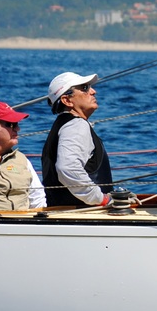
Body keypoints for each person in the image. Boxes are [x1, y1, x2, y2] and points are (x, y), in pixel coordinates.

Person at [42, 71, 113, 208]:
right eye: (85, 88)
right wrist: (102, 199)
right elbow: (67, 168)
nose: (93, 91)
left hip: (64, 211)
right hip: (85, 213)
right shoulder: (76, 125)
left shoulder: (62, 124)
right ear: (67, 100)